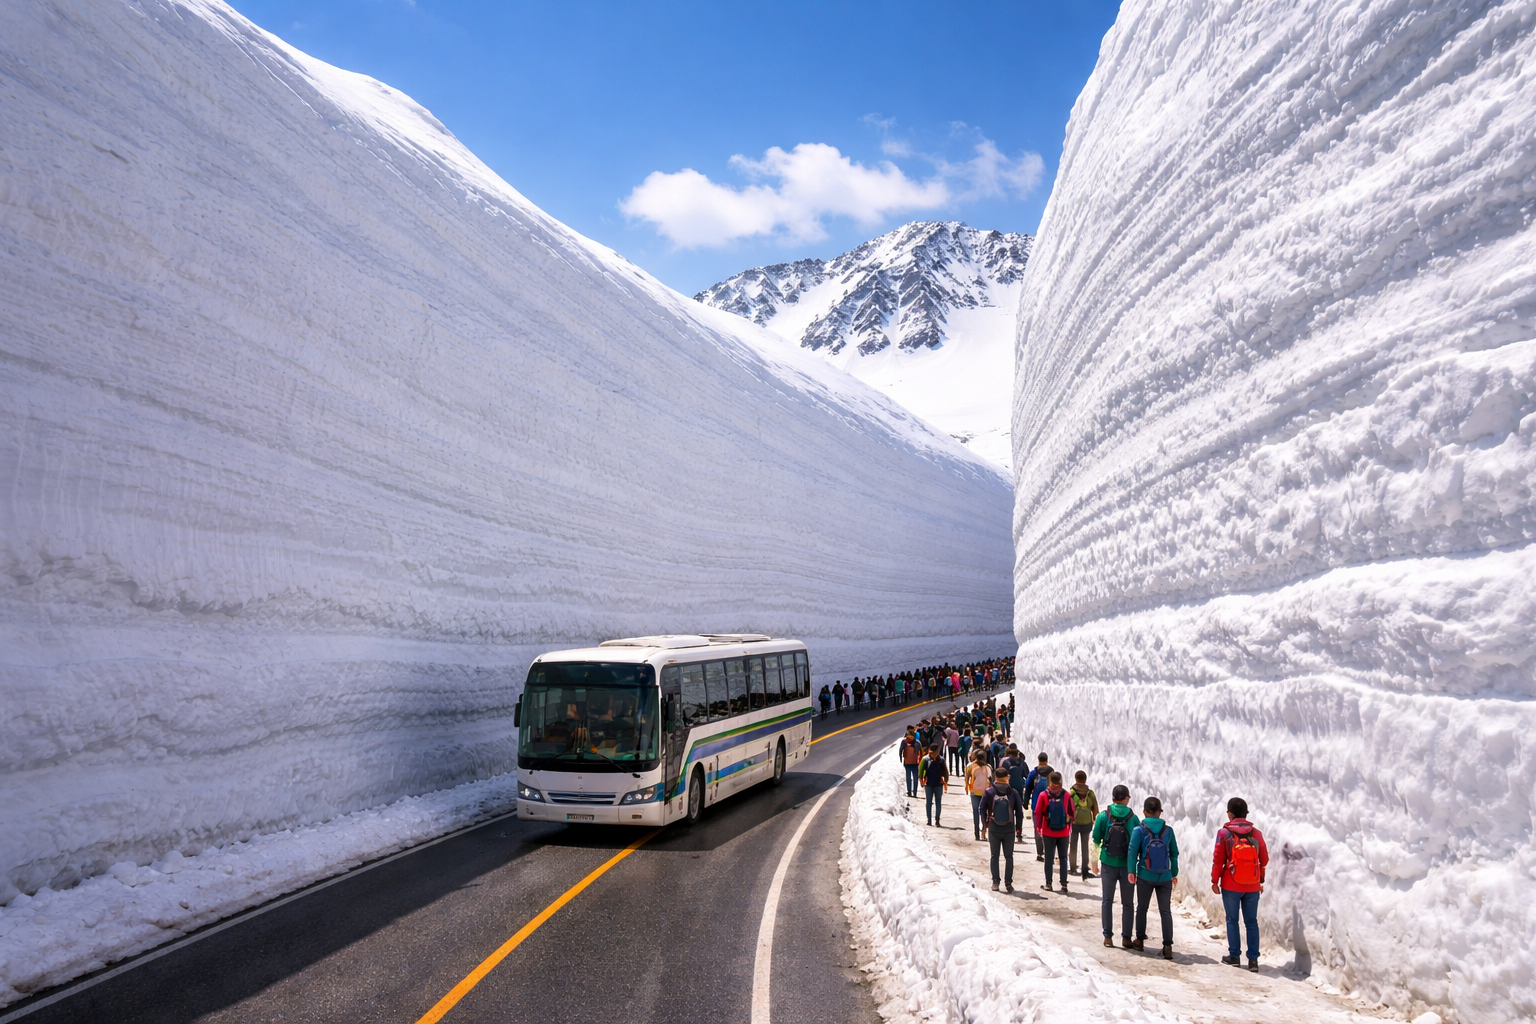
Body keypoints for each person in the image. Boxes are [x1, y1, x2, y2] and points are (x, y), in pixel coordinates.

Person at [1212, 797, 1269, 972]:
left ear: (1230, 814)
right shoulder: (1256, 833)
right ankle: (1253, 960)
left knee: (1232, 919)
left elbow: (1218, 859)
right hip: (1252, 885)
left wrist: (1214, 880)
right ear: (1246, 814)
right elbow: (1264, 859)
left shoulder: (1224, 834)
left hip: (1231, 884)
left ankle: (1234, 956)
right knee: (1251, 922)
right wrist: (1259, 878)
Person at [1128, 796, 1180, 960]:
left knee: (1142, 908)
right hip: (1164, 876)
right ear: (1159, 813)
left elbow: (1132, 851)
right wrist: (1174, 873)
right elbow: (1174, 854)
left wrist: (1131, 871)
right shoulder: (1168, 830)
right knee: (1165, 911)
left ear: (1144, 812)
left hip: (1145, 874)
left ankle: (1140, 940)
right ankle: (1167, 945)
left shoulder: (1139, 830)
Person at [1093, 784, 1139, 948]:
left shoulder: (1103, 816)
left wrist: (1094, 862)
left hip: (1108, 862)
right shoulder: (1133, 818)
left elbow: (1096, 839)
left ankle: (1107, 936)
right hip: (1127, 866)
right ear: (1126, 798)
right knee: (1127, 903)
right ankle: (1126, 937)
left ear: (1113, 798)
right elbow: (1138, 842)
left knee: (1107, 900)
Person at [980, 769, 1025, 892]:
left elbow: (982, 808)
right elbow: (1019, 813)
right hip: (1009, 829)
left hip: (994, 828)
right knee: (1009, 856)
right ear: (1007, 777)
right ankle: (1008, 883)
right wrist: (1018, 829)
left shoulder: (989, 791)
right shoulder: (1013, 793)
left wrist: (985, 825)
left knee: (994, 856)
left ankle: (995, 882)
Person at [1034, 771, 1075, 892]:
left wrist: (1039, 826)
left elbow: (1037, 812)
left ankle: (1048, 883)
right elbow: (1072, 812)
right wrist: (1069, 824)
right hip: (1063, 832)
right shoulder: (1066, 795)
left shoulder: (1043, 795)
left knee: (1048, 857)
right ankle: (1063, 884)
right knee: (1063, 857)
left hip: (1048, 831)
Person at [1069, 770, 1100, 880]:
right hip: (1087, 823)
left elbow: (1068, 807)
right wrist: (1095, 820)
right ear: (1085, 779)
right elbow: (1095, 809)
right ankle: (1084, 870)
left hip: (1074, 822)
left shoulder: (1071, 792)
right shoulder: (1090, 793)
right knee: (1084, 846)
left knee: (1073, 845)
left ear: (1076, 778)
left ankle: (1072, 868)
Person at [1025, 754, 1055, 860]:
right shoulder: (1052, 773)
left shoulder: (1034, 773)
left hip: (1036, 804)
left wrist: (1025, 801)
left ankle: (1039, 852)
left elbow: (1028, 787)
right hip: (1051, 805)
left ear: (1038, 760)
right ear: (1046, 760)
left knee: (1037, 828)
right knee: (1049, 827)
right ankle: (1049, 851)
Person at [965, 750, 992, 840]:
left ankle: (976, 832)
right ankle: (983, 832)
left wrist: (967, 787)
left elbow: (966, 778)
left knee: (976, 812)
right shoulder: (988, 767)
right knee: (984, 813)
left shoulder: (970, 766)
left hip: (974, 792)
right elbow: (991, 780)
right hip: (985, 792)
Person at [921, 744, 949, 826]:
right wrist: (946, 781)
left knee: (929, 802)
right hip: (938, 784)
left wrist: (921, 780)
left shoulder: (925, 759)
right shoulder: (941, 759)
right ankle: (937, 820)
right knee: (938, 802)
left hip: (929, 784)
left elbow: (921, 770)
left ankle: (929, 820)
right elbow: (945, 772)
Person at [899, 727, 923, 796]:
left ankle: (909, 791)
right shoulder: (917, 743)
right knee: (915, 777)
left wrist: (901, 758)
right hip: (915, 763)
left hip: (907, 762)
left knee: (908, 777)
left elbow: (900, 750)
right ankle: (914, 792)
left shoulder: (904, 742)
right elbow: (921, 752)